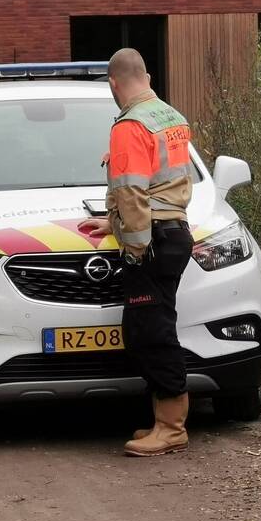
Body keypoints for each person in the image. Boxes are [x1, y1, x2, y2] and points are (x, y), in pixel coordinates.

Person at [78, 48, 195, 457]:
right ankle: (164, 421)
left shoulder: (129, 125)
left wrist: (134, 244)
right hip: (174, 230)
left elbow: (131, 190)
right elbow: (164, 185)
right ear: (145, 75)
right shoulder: (169, 115)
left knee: (151, 333)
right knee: (154, 327)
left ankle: (172, 427)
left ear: (114, 83)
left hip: (153, 241)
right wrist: (117, 223)